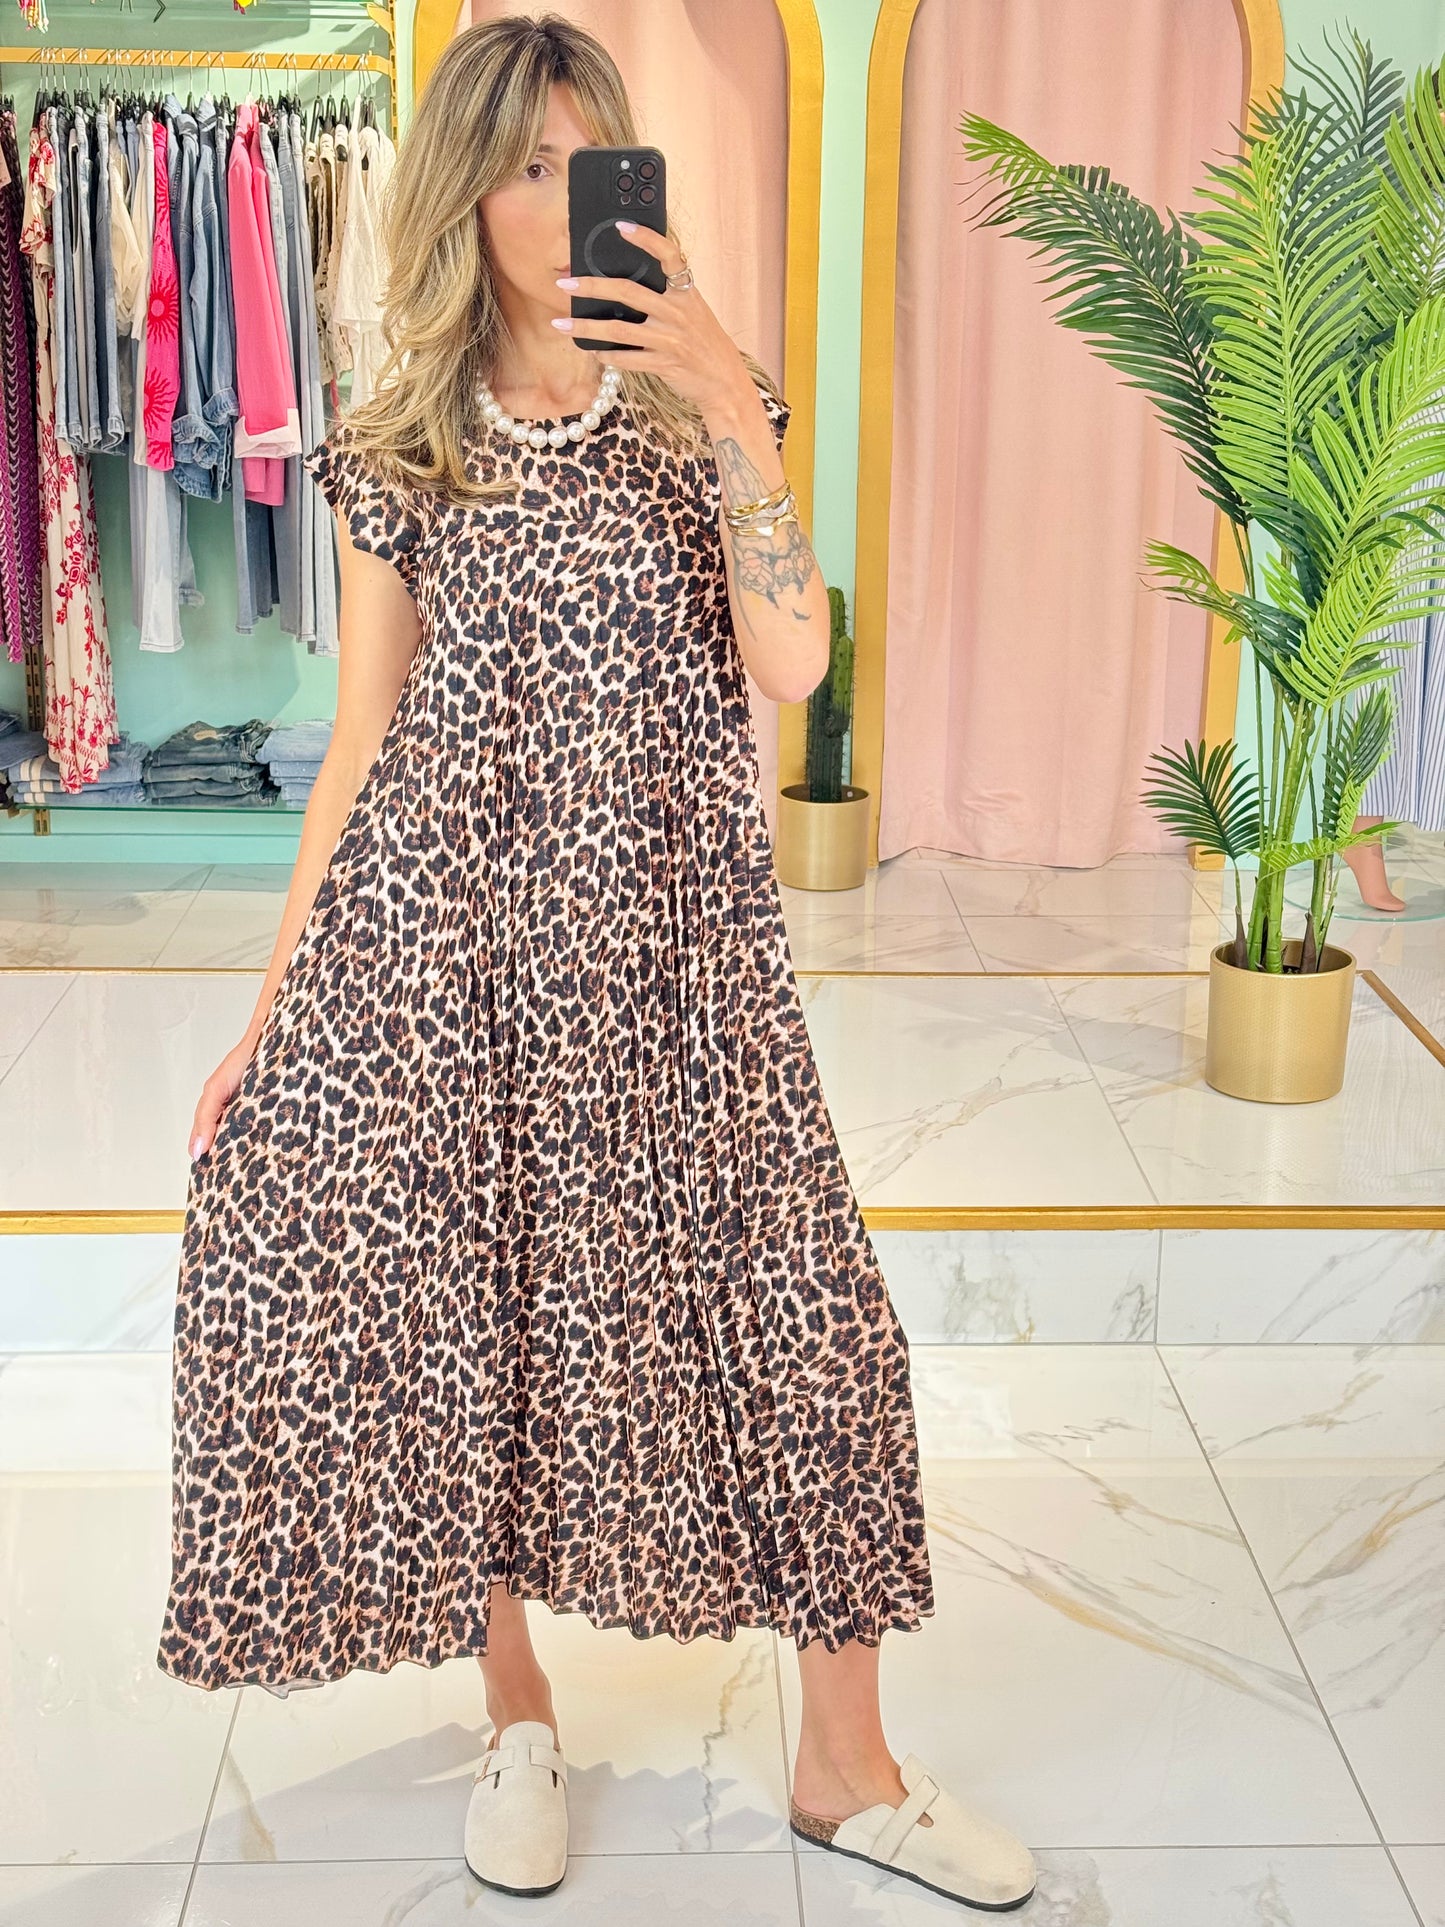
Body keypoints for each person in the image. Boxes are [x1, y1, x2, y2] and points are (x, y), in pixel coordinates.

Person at [154, 15, 1034, 1915]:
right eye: (528, 168)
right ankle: (517, 1711)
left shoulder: (702, 396)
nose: (564, 204)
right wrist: (273, 1010)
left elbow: (791, 667)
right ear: (464, 194)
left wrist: (730, 405)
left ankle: (846, 1769)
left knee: (810, 1326)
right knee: (466, 1325)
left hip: (682, 964)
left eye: (590, 161)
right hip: (446, 953)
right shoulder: (400, 437)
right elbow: (362, 739)